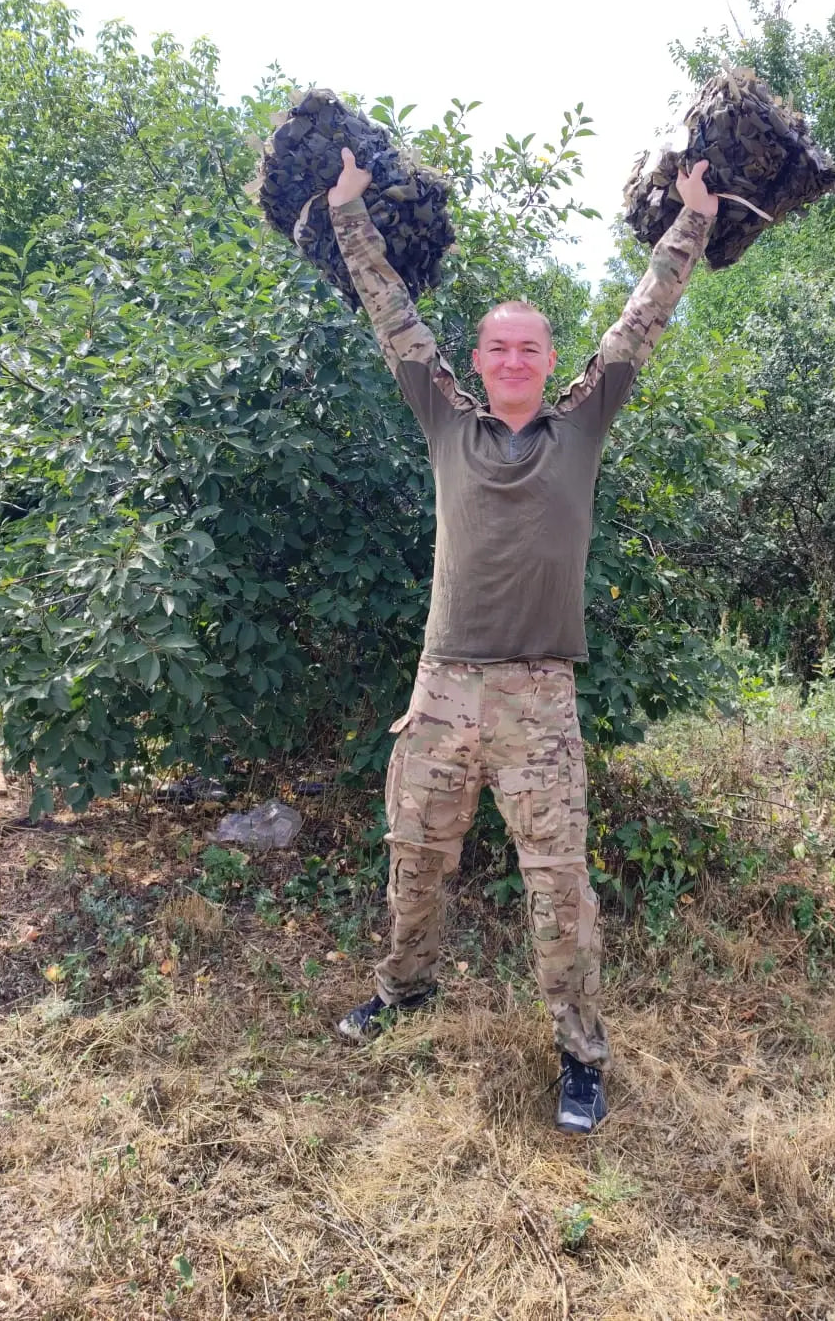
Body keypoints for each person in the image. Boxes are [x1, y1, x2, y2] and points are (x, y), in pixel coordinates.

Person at [326, 147, 716, 1133]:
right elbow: (391, 313)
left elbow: (643, 316)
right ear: (479, 358)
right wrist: (346, 217)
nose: (510, 360)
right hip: (442, 690)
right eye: (496, 347)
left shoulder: (581, 427)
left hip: (539, 699)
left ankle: (580, 1055)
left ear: (548, 363)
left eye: (527, 348)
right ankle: (407, 989)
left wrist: (695, 220)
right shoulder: (441, 418)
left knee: (558, 888)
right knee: (412, 855)